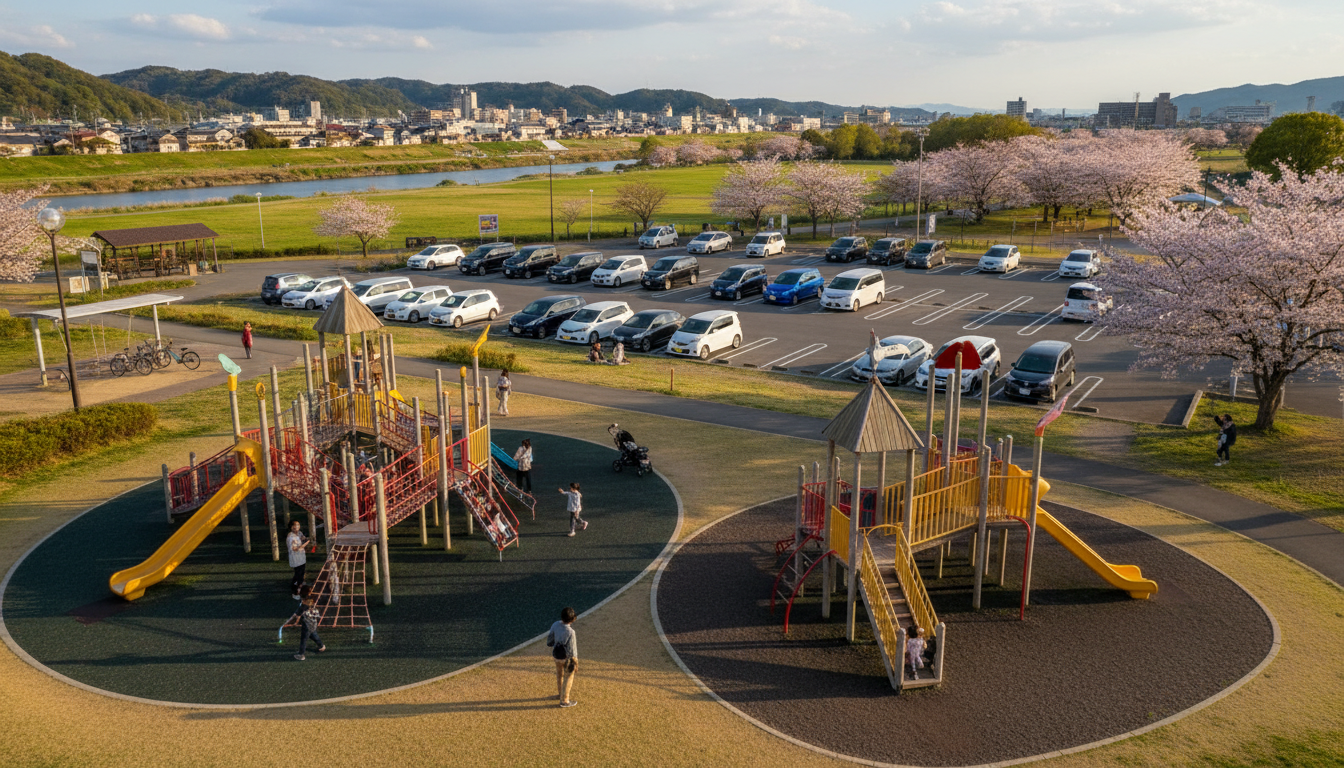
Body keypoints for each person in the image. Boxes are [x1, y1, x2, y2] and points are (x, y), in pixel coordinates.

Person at [547, 606, 579, 708]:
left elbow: (549, 641)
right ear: (572, 619)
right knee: (568, 677)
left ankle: (560, 693)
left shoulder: (555, 624)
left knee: (559, 674)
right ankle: (564, 700)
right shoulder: (571, 632)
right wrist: (576, 664)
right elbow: (572, 651)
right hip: (567, 658)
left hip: (556, 655)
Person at [289, 586, 326, 661]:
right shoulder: (311, 598)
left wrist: (296, 615)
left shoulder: (306, 602)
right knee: (313, 634)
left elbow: (301, 610)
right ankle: (321, 646)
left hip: (307, 622)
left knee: (304, 639)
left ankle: (301, 654)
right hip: (313, 620)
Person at [286, 520, 309, 599]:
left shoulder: (299, 533)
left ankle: (300, 585)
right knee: (298, 574)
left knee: (301, 573)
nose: (297, 527)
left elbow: (303, 538)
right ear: (291, 527)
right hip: (295, 558)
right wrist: (306, 543)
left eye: (298, 525)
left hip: (301, 557)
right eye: (295, 525)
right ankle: (295, 592)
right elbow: (295, 549)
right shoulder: (291, 536)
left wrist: (305, 538)